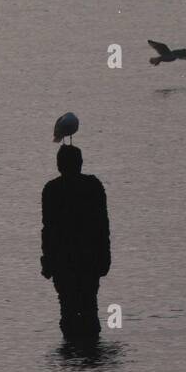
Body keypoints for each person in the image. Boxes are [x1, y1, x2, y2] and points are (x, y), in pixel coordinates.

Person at [41, 145, 111, 339]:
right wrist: (105, 258)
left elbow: (48, 230)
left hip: (64, 263)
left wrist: (48, 262)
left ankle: (72, 354)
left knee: (68, 310)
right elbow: (102, 226)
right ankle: (90, 353)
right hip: (89, 261)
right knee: (89, 308)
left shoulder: (51, 190)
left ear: (59, 165)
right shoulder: (93, 186)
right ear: (80, 163)